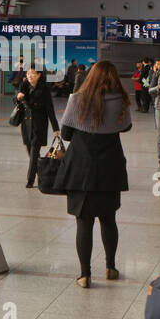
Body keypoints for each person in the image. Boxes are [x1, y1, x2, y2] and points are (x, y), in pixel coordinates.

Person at [55, 60, 132, 287]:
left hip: (81, 169)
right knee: (109, 220)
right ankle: (110, 267)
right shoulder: (121, 101)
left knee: (84, 222)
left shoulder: (77, 99)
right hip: (110, 168)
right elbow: (125, 127)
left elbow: (67, 134)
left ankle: (85, 274)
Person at [17, 65, 60, 188]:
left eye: (33, 73)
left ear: (39, 75)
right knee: (32, 154)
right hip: (26, 125)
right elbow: (17, 103)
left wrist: (56, 128)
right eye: (28, 73)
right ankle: (42, 174)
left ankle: (30, 180)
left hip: (38, 125)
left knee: (34, 152)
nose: (30, 75)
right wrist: (18, 98)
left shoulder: (45, 89)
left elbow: (50, 109)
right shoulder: (24, 85)